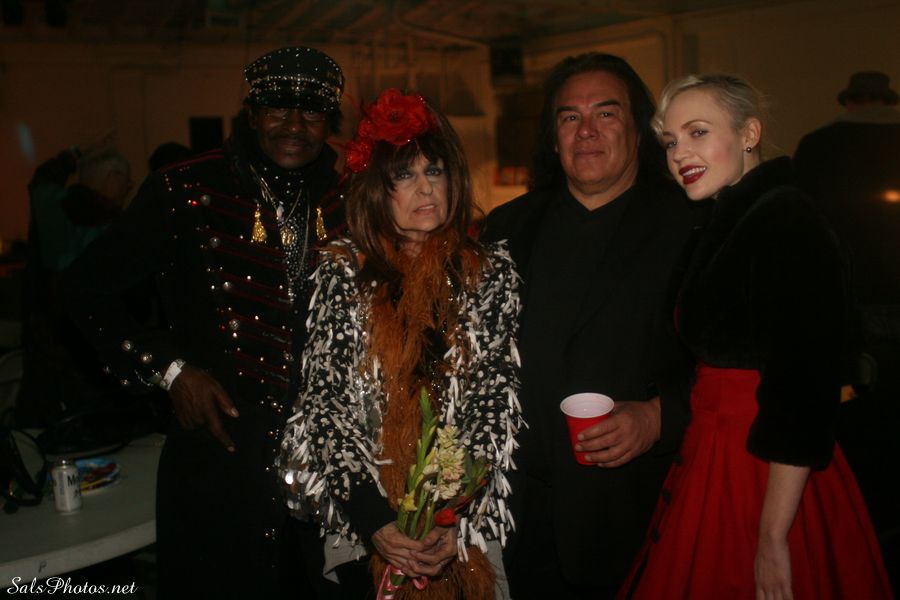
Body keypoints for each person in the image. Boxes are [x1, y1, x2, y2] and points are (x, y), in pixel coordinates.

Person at [62, 46, 347, 598]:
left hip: (328, 471)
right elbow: (82, 289)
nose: (294, 125)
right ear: (251, 113)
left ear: (328, 122)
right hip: (220, 462)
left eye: (311, 112)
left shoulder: (347, 195)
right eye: (277, 108)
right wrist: (169, 370)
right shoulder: (186, 188)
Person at [620, 74, 893, 599]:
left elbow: (803, 391)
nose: (679, 154)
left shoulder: (786, 221)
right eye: (671, 141)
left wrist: (772, 536)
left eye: (698, 132)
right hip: (715, 451)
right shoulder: (729, 218)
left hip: (765, 467)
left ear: (750, 134)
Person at [279, 89, 523, 599]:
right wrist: (378, 522)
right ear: (376, 191)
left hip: (461, 523)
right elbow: (326, 406)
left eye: (434, 171)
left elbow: (492, 400)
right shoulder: (342, 272)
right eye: (404, 176)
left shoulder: (488, 273)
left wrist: (449, 514)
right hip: (362, 520)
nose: (426, 188)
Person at [480, 53, 696, 599]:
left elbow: (738, 365)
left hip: (635, 515)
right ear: (553, 138)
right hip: (516, 517)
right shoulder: (506, 227)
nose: (586, 131)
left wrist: (659, 416)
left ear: (639, 131)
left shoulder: (691, 227)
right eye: (570, 117)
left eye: (606, 113)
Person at [793, 72, 900, 584]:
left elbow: (807, 235)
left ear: (849, 100)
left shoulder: (820, 147)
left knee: (859, 426)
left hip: (850, 309)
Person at [18, 145, 132, 426]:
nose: (130, 186)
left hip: (44, 346)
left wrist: (72, 156)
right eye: (125, 178)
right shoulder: (116, 228)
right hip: (89, 359)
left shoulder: (53, 207)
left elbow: (42, 181)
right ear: (112, 178)